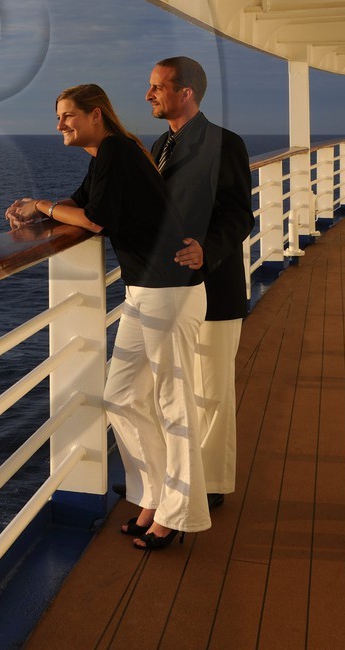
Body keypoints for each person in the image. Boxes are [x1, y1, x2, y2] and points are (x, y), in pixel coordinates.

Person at [6, 84, 210, 549]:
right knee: (121, 396)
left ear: (95, 115)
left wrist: (41, 206)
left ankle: (177, 516)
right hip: (145, 291)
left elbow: (96, 220)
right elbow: (79, 207)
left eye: (67, 116)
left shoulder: (117, 150)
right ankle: (153, 497)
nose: (60, 125)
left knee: (173, 405)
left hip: (170, 293)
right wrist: (33, 211)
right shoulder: (107, 157)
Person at [146, 57, 254, 510]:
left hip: (213, 283)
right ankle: (177, 472)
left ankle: (210, 484)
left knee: (211, 389)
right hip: (170, 289)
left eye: (157, 87)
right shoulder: (160, 145)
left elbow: (238, 214)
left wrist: (206, 250)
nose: (149, 95)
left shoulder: (224, 144)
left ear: (185, 92)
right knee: (173, 388)